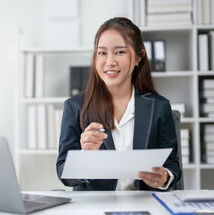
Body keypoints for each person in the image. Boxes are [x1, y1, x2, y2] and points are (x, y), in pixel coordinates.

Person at [56, 17, 182, 191]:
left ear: (139, 56)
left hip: (145, 206)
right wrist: (85, 156)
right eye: (102, 53)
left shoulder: (158, 107)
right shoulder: (75, 107)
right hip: (96, 208)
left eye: (120, 52)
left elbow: (172, 164)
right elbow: (63, 172)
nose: (110, 62)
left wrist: (165, 176)